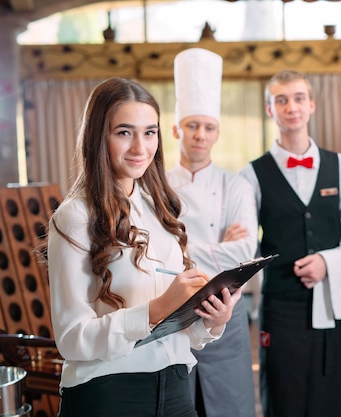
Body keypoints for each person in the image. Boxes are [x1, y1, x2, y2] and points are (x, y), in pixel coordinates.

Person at [47, 77, 241, 417]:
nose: (140, 147)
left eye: (149, 132)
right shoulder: (74, 217)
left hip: (177, 387)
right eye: (124, 132)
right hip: (108, 392)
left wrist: (211, 319)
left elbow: (178, 326)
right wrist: (155, 309)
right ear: (98, 137)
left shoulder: (161, 208)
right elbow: (72, 338)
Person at [240, 69, 341, 417]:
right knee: (284, 393)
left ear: (311, 105)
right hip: (280, 307)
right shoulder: (252, 174)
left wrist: (329, 261)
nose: (290, 107)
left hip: (332, 298)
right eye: (281, 100)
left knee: (332, 391)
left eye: (297, 98)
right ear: (269, 110)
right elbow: (248, 244)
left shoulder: (340, 165)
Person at [166, 48, 257, 417]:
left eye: (208, 127)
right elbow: (151, 255)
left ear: (218, 132)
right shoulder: (156, 186)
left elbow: (247, 253)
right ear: (176, 129)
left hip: (227, 314)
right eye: (192, 125)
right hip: (172, 318)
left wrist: (181, 250)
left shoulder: (237, 186)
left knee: (230, 408)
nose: (200, 135)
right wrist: (221, 249)